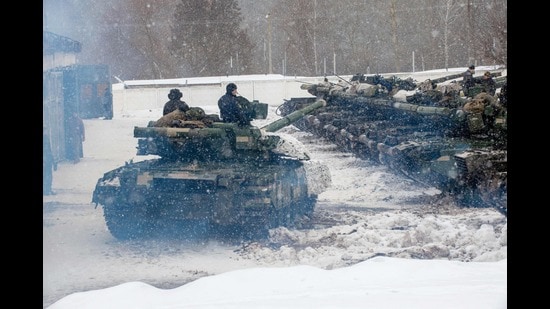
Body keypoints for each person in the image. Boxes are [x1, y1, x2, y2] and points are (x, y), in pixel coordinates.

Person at [43, 125, 57, 195]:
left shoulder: (46, 138)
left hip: (48, 159)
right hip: (46, 160)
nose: (46, 132)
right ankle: (46, 190)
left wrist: (53, 161)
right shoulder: (45, 138)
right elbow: (46, 150)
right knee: (46, 175)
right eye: (45, 130)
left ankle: (48, 189)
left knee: (48, 175)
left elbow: (49, 150)